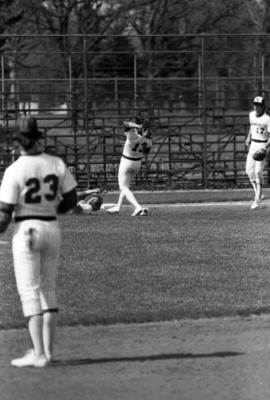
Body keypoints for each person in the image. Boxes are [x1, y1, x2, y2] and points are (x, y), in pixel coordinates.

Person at [0, 116, 77, 367]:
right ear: (37, 138)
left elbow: (5, 212)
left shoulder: (15, 169)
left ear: (18, 142)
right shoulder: (55, 162)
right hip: (51, 227)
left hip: (26, 229)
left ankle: (38, 353)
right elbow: (70, 200)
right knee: (48, 289)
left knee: (29, 291)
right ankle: (48, 352)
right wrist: (53, 208)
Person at [107, 117, 152, 216]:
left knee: (123, 188)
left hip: (126, 162)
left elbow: (124, 124)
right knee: (126, 187)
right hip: (137, 163)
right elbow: (146, 151)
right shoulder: (149, 141)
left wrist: (137, 126)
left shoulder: (133, 136)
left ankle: (138, 207)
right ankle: (117, 207)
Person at [245, 96, 270, 210]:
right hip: (253, 145)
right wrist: (248, 137)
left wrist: (265, 148)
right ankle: (258, 193)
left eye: (258, 105)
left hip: (262, 145)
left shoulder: (267, 119)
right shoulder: (251, 114)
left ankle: (258, 198)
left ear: (263, 106)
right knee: (249, 171)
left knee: (258, 170)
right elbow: (252, 126)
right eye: (255, 104)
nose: (256, 107)